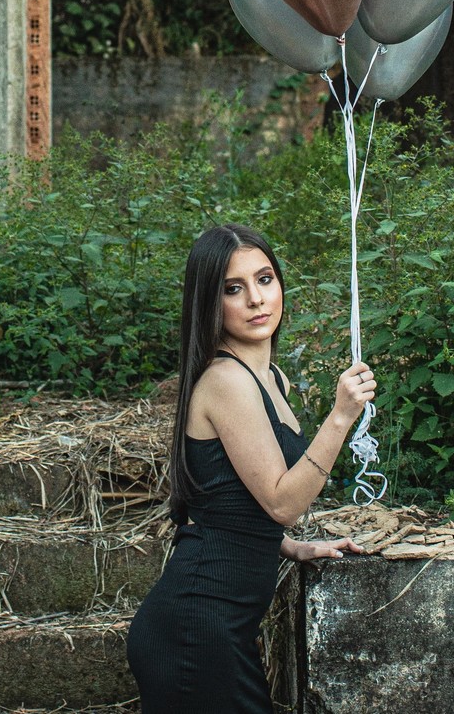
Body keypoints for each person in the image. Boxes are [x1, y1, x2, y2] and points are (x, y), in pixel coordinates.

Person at [126, 223, 376, 714]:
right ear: (209, 302)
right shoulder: (227, 382)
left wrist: (288, 546)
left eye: (264, 279)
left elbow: (229, 499)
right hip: (196, 628)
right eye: (233, 289)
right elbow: (282, 502)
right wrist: (340, 417)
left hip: (216, 627)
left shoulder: (271, 378)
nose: (256, 299)